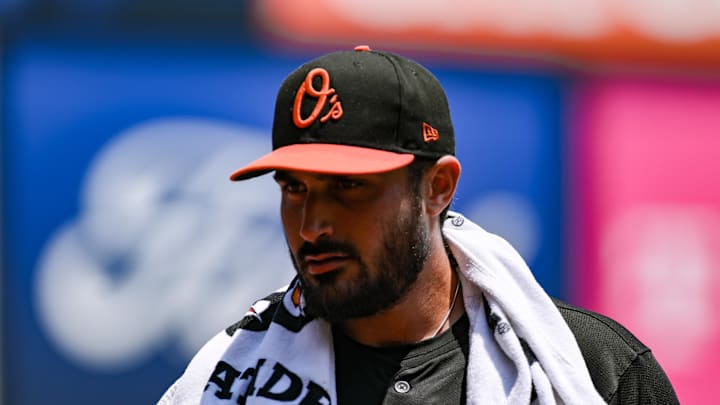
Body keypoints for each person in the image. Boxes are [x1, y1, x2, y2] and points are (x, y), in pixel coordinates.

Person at [158, 46, 678, 404]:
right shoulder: (226, 379)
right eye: (294, 188)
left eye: (348, 186)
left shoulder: (596, 371)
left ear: (437, 188)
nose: (312, 224)